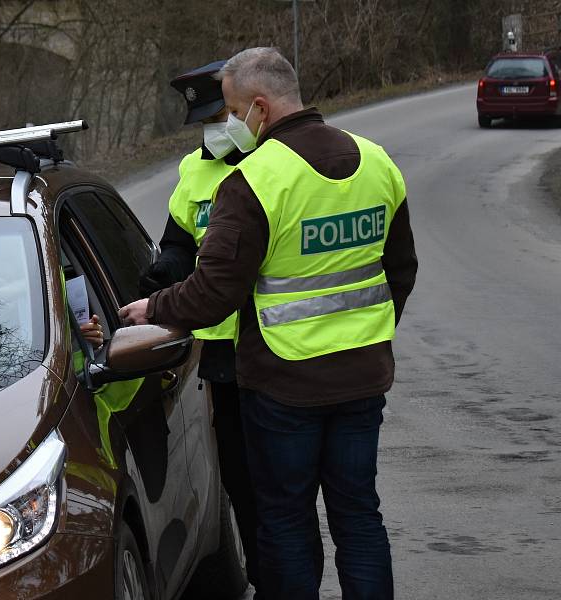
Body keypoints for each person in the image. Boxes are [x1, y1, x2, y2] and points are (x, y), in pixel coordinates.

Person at [120, 47, 418, 600]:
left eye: (231, 110)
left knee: (283, 520)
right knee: (359, 518)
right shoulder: (377, 162)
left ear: (259, 108)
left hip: (284, 389)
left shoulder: (255, 179)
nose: (228, 124)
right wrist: (369, 334)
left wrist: (154, 309)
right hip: (362, 380)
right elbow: (400, 269)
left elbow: (214, 292)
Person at [141, 60, 323, 600]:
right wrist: (164, 276)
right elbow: (177, 244)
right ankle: (271, 583)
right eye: (206, 121)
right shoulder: (194, 172)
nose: (215, 130)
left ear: (247, 110)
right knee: (243, 483)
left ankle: (297, 582)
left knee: (286, 487)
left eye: (223, 116)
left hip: (275, 346)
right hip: (219, 355)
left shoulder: (276, 165)